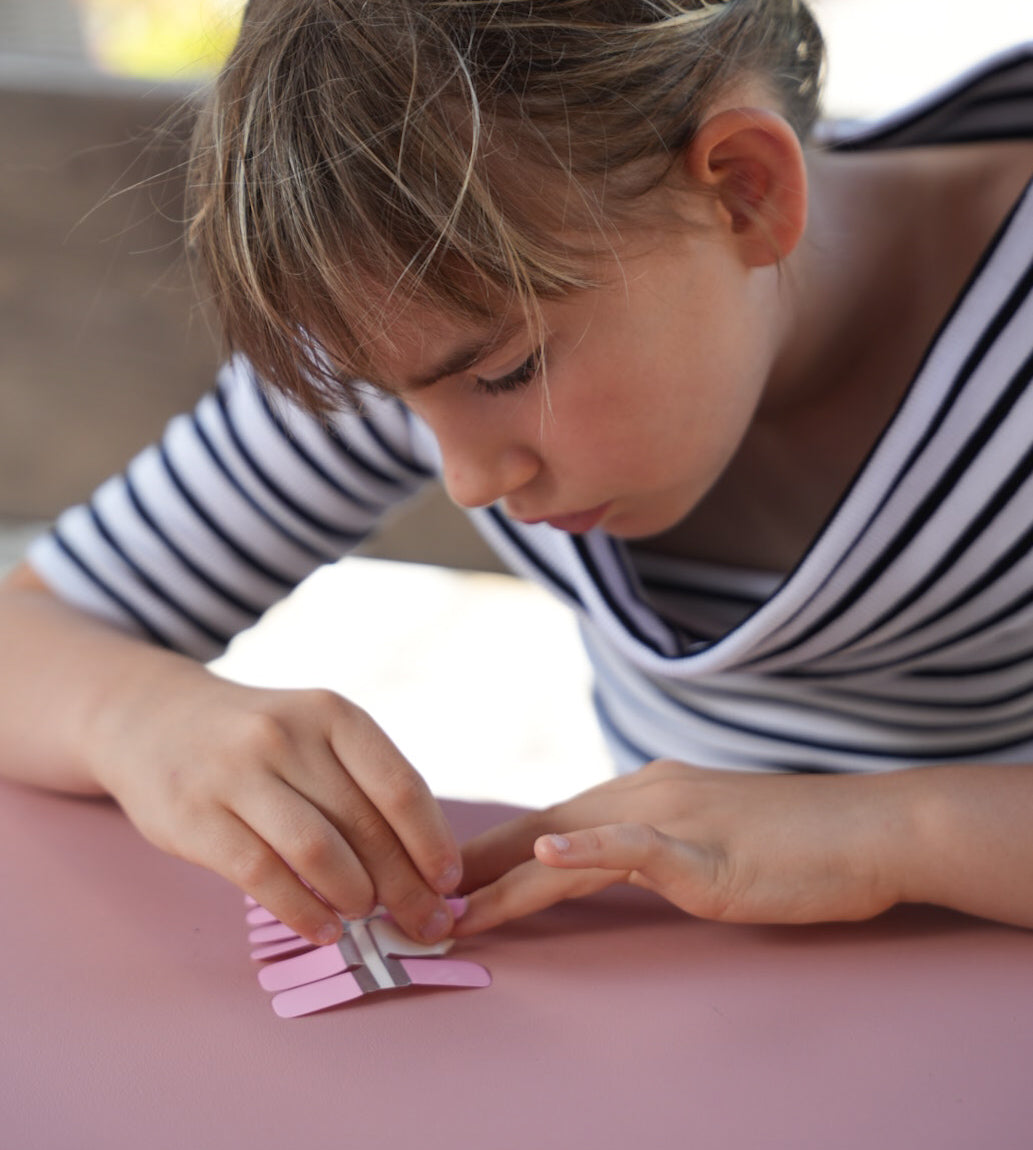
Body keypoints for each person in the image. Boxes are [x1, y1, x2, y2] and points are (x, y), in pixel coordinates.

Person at [2, 1, 1032, 947]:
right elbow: (25, 639)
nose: (463, 478)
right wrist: (134, 715)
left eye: (507, 373)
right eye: (399, 400)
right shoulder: (405, 310)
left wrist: (896, 830)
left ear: (743, 191)